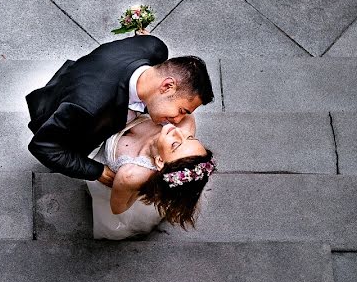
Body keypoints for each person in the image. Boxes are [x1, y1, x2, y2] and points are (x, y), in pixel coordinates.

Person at [26, 33, 215, 186]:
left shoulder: (155, 46)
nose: (177, 120)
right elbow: (43, 146)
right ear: (166, 86)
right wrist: (96, 171)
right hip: (66, 107)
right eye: (182, 110)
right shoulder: (87, 108)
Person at [87, 111, 215, 240]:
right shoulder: (185, 122)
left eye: (175, 144)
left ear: (160, 161)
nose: (178, 132)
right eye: (191, 138)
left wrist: (135, 191)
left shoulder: (130, 175)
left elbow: (117, 208)